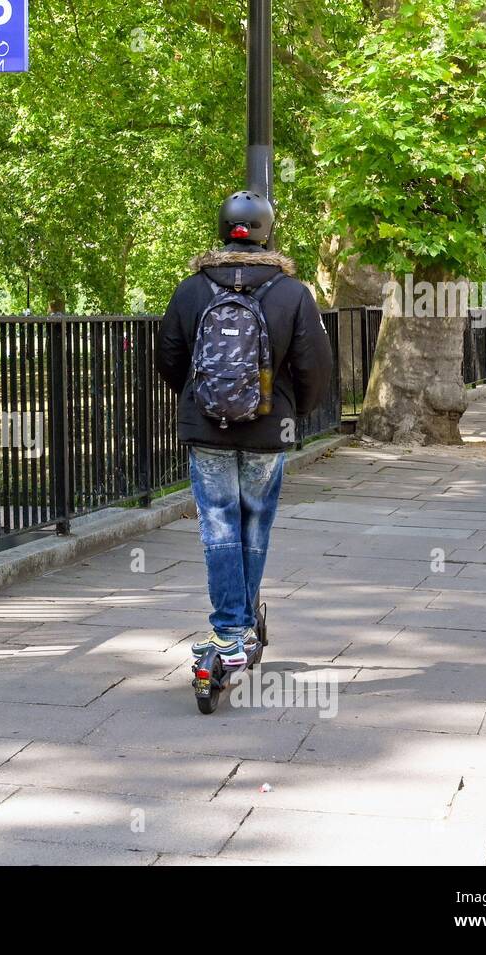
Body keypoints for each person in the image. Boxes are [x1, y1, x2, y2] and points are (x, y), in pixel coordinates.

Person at [154, 191, 333, 668]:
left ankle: (231, 628)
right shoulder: (293, 293)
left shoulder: (191, 290)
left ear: (222, 229)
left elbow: (168, 358)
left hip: (206, 427)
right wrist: (294, 410)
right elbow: (315, 365)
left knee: (218, 524)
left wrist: (201, 399)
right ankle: (240, 626)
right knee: (254, 522)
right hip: (269, 427)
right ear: (266, 231)